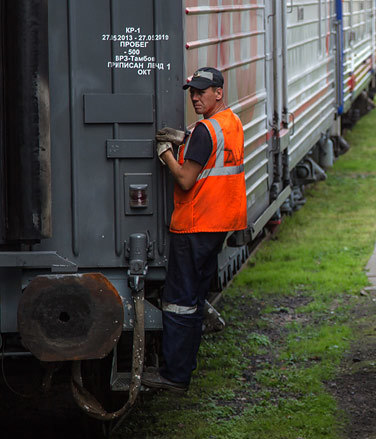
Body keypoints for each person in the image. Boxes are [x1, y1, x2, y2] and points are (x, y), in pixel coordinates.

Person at [142, 67, 247, 393]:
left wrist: (166, 154)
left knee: (179, 302)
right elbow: (214, 158)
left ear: (219, 92)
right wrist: (185, 141)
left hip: (195, 225)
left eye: (202, 92)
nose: (196, 98)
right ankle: (185, 366)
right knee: (195, 299)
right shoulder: (231, 122)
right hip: (218, 224)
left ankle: (174, 375)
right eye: (193, 92)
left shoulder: (205, 130)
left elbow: (186, 179)